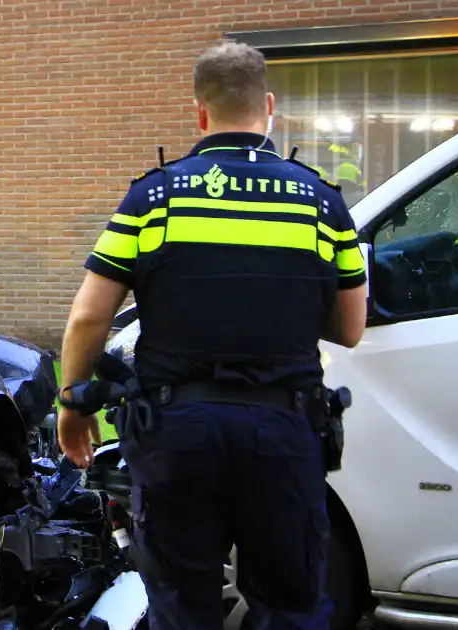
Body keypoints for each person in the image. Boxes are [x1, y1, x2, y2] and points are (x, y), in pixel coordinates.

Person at [55, 42, 367, 630]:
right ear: (268, 106)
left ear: (201, 113)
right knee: (291, 607)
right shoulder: (321, 204)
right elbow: (351, 327)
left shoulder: (152, 197)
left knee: (181, 609)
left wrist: (72, 401)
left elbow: (88, 318)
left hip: (177, 438)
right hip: (282, 433)